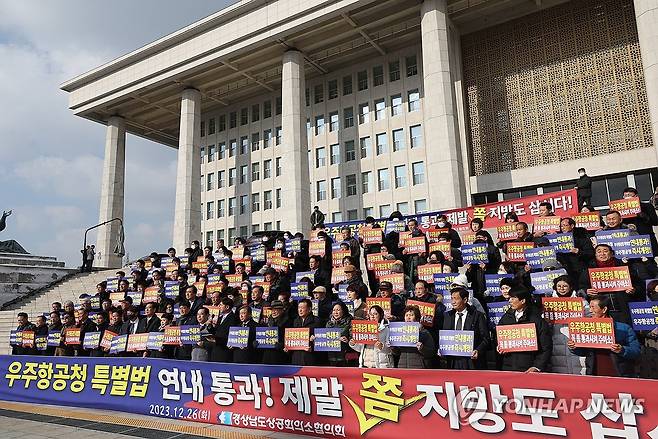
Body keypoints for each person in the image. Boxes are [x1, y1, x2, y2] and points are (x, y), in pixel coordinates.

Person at [568, 296, 641, 377]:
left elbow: (636, 351)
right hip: (594, 375)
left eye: (593, 307)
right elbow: (583, 352)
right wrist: (574, 347)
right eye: (590, 307)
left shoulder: (624, 328)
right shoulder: (586, 328)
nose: (590, 310)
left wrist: (622, 350)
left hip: (620, 375)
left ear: (604, 309)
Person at [496, 286, 552, 372]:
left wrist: (537, 366)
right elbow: (499, 338)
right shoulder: (506, 318)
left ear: (523, 301)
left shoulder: (536, 320)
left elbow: (546, 347)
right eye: (510, 298)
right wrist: (499, 347)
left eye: (513, 298)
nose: (509, 301)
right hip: (508, 367)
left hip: (529, 368)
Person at [579, 244, 635, 325]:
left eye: (605, 251)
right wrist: (586, 291)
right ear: (595, 255)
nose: (602, 254)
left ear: (612, 253)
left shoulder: (623, 267)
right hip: (600, 311)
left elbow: (638, 285)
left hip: (622, 309)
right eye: (599, 251)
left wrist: (633, 290)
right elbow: (580, 289)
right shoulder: (589, 270)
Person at [548, 275, 588, 375]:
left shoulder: (581, 302)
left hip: (577, 340)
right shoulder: (548, 303)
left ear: (571, 287)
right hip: (556, 341)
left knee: (580, 369)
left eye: (565, 286)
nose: (562, 288)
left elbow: (590, 317)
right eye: (559, 286)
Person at [442, 288, 490, 370]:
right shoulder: (448, 316)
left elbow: (486, 338)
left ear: (465, 300)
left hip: (471, 361)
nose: (453, 302)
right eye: (452, 298)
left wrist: (478, 350)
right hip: (453, 361)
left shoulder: (477, 316)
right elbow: (444, 337)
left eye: (456, 299)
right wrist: (442, 348)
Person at [621, 187, 658, 255]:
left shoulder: (647, 206)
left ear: (636, 196)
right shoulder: (620, 209)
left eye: (629, 195)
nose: (627, 197)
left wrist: (644, 216)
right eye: (625, 196)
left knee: (649, 261)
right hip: (629, 240)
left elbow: (655, 222)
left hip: (646, 238)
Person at [557, 217, 594, 285]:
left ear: (572, 226)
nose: (563, 228)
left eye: (565, 225)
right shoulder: (557, 238)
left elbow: (590, 253)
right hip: (565, 269)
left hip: (580, 269)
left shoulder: (582, 237)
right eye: (561, 226)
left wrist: (578, 251)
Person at [288, 299, 320, 366]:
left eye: (302, 308)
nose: (300, 310)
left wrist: (313, 346)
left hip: (310, 356)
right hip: (296, 356)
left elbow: (321, 341)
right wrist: (288, 347)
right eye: (299, 308)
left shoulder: (317, 321)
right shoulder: (295, 321)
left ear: (309, 309)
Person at [261, 300, 291, 365]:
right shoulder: (268, 321)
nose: (273, 312)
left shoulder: (288, 322)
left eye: (276, 309)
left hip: (280, 355)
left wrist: (282, 344)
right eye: (272, 310)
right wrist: (258, 342)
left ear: (282, 310)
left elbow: (291, 338)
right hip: (267, 355)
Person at [324, 302, 353, 366]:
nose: (335, 312)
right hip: (331, 357)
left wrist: (348, 340)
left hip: (345, 357)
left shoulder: (350, 322)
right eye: (334, 310)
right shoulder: (328, 323)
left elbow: (354, 339)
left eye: (338, 310)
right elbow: (324, 337)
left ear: (343, 311)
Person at [211, 297, 237, 363]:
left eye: (221, 305)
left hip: (225, 351)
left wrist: (216, 340)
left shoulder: (233, 318)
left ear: (227, 307)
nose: (219, 306)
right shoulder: (220, 317)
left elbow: (230, 335)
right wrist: (210, 326)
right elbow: (216, 331)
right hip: (216, 350)